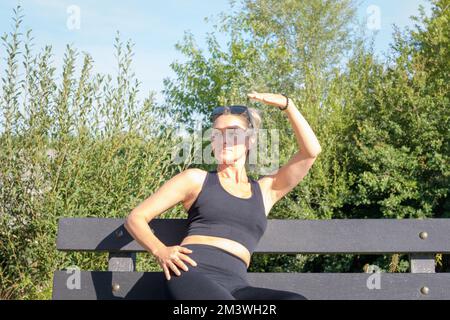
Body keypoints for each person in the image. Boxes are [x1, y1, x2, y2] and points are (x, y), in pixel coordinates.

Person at [124, 91, 322, 300]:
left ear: (250, 141)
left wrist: (287, 105)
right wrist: (161, 251)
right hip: (191, 274)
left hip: (237, 287)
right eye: (217, 133)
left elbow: (310, 152)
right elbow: (135, 218)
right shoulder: (196, 180)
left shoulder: (265, 191)